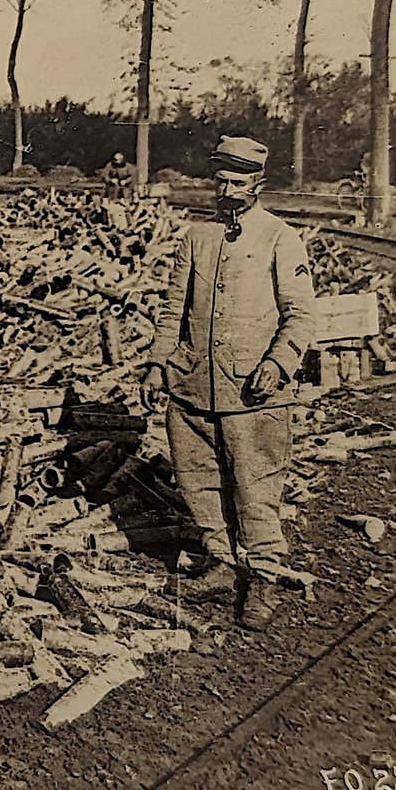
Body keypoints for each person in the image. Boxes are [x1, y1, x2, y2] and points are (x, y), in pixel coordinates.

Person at [143, 134, 317, 631]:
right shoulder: (197, 237)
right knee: (198, 479)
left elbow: (302, 314)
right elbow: (172, 309)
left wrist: (279, 363)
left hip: (254, 391)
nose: (225, 191)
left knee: (256, 487)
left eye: (237, 183)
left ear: (258, 184)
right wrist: (158, 364)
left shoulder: (281, 239)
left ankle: (263, 575)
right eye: (219, 181)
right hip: (194, 386)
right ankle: (219, 564)